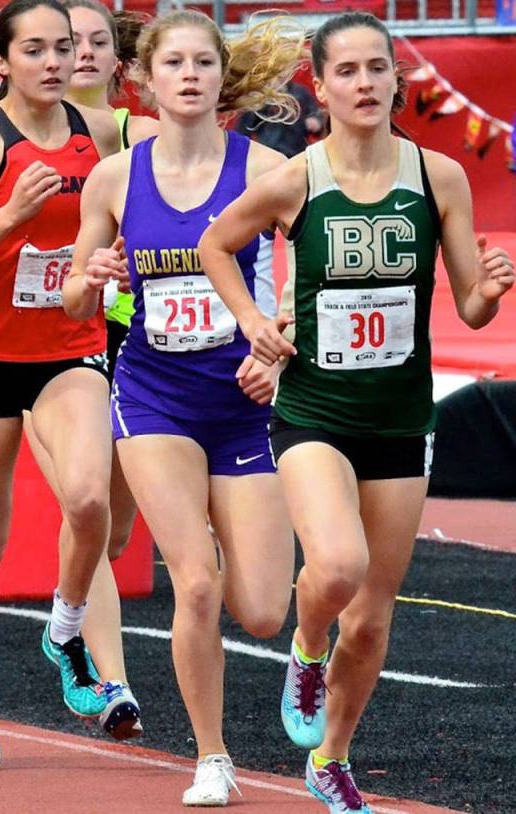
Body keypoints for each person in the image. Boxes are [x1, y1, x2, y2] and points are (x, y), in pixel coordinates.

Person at [198, 12, 513, 813]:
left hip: (402, 419)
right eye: (349, 72)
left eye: (379, 68)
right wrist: (252, 320)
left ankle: (330, 759)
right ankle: (305, 650)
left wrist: (489, 287)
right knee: (337, 567)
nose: (367, 84)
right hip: (313, 410)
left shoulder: (437, 175)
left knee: (372, 619)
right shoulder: (295, 180)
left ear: (395, 80)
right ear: (321, 83)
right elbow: (214, 245)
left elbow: (471, 309)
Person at [65, 10, 304, 805]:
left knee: (265, 610)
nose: (191, 75)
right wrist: (93, 274)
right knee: (194, 584)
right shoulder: (115, 176)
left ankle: (305, 648)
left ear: (221, 78)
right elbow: (70, 300)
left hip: (242, 401)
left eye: (205, 62)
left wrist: (280, 347)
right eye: (175, 64)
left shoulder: (270, 169)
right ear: (145, 80)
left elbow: (306, 282)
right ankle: (212, 757)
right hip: (154, 395)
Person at [0, 0, 120, 770]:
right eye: (32, 49)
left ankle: (65, 631)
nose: (51, 61)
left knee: (90, 498)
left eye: (62, 48)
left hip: (70, 348)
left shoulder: (100, 132)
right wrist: (12, 215)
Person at [20, 0, 157, 742]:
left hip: (137, 345)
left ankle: (66, 617)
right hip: (44, 348)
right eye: (67, 43)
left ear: (119, 63)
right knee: (88, 505)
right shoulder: (9, 134)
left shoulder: (144, 138)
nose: (80, 55)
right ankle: (113, 685)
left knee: (113, 526)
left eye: (97, 43)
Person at [235, 79, 323, 158]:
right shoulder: (259, 95)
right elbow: (243, 128)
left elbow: (316, 114)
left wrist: (316, 121)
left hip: (296, 152)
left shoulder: (300, 92)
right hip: (268, 153)